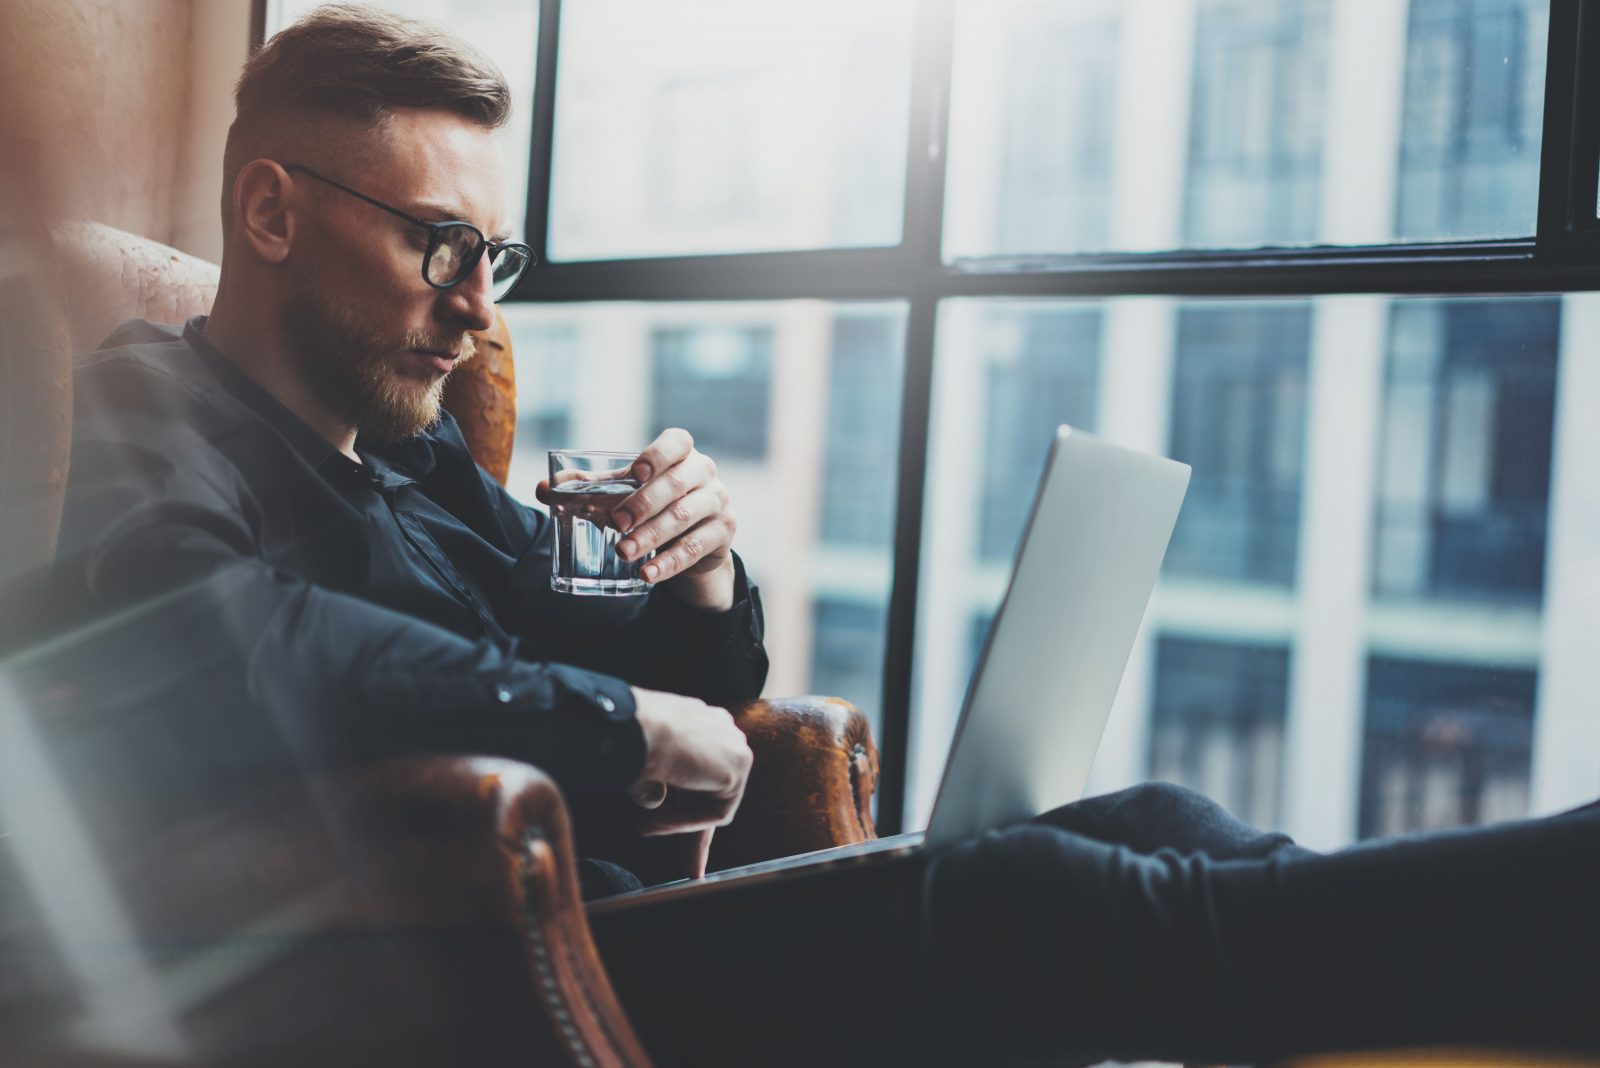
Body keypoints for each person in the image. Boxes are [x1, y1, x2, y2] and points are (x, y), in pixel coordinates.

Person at [28, 5, 1600, 1067]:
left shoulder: (419, 463)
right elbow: (196, 630)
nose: (476, 301)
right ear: (273, 212)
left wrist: (704, 586)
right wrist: (608, 716)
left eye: (496, 252)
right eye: (444, 242)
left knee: (1157, 820)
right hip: (461, 975)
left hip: (614, 920)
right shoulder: (153, 405)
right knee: (1029, 905)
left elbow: (660, 660)